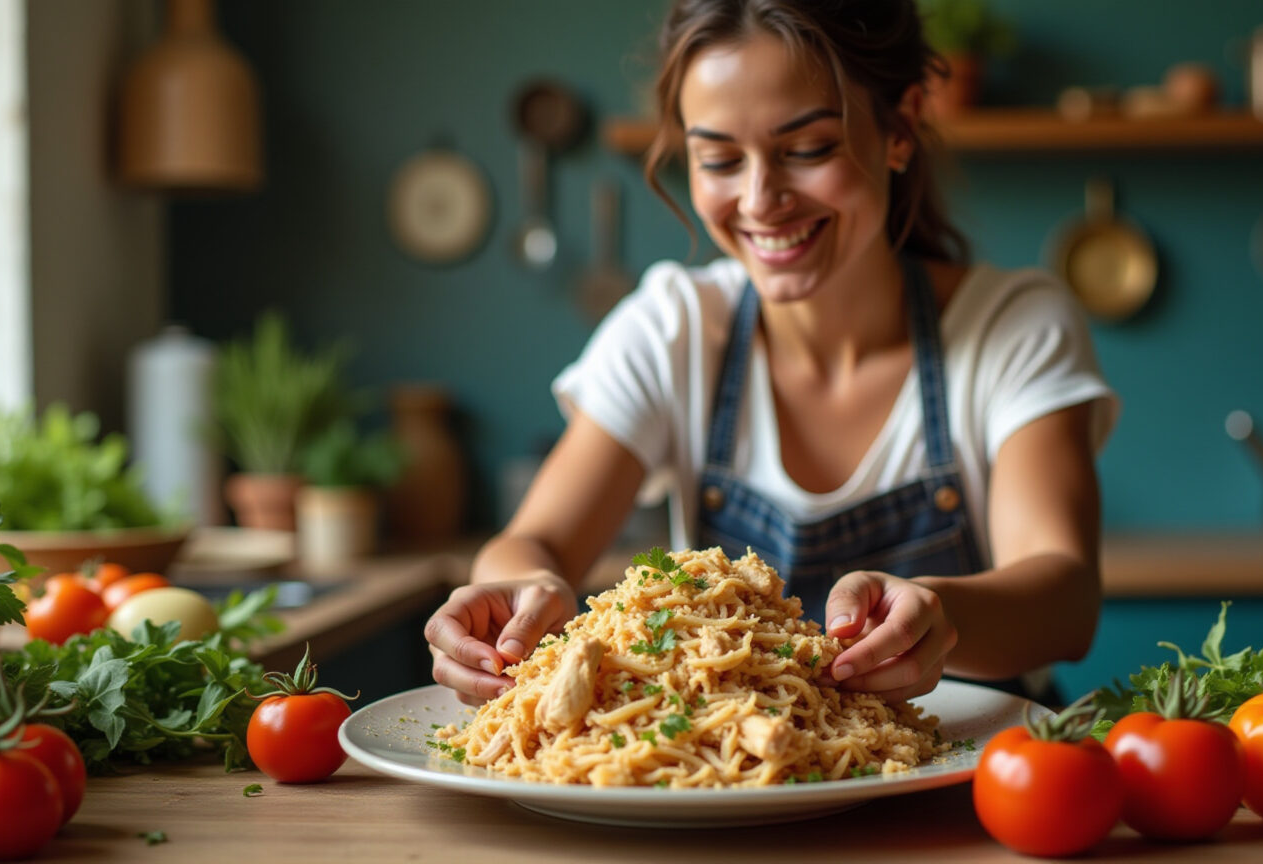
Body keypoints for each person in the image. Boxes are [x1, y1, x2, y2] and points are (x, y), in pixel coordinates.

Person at [425, 0, 1118, 706]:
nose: (761, 200)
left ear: (901, 128)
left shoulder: (1014, 326)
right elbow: (533, 541)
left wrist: (938, 613)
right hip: (734, 798)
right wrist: (521, 592)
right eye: (719, 158)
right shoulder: (673, 328)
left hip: (981, 790)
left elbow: (1064, 597)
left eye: (807, 149)